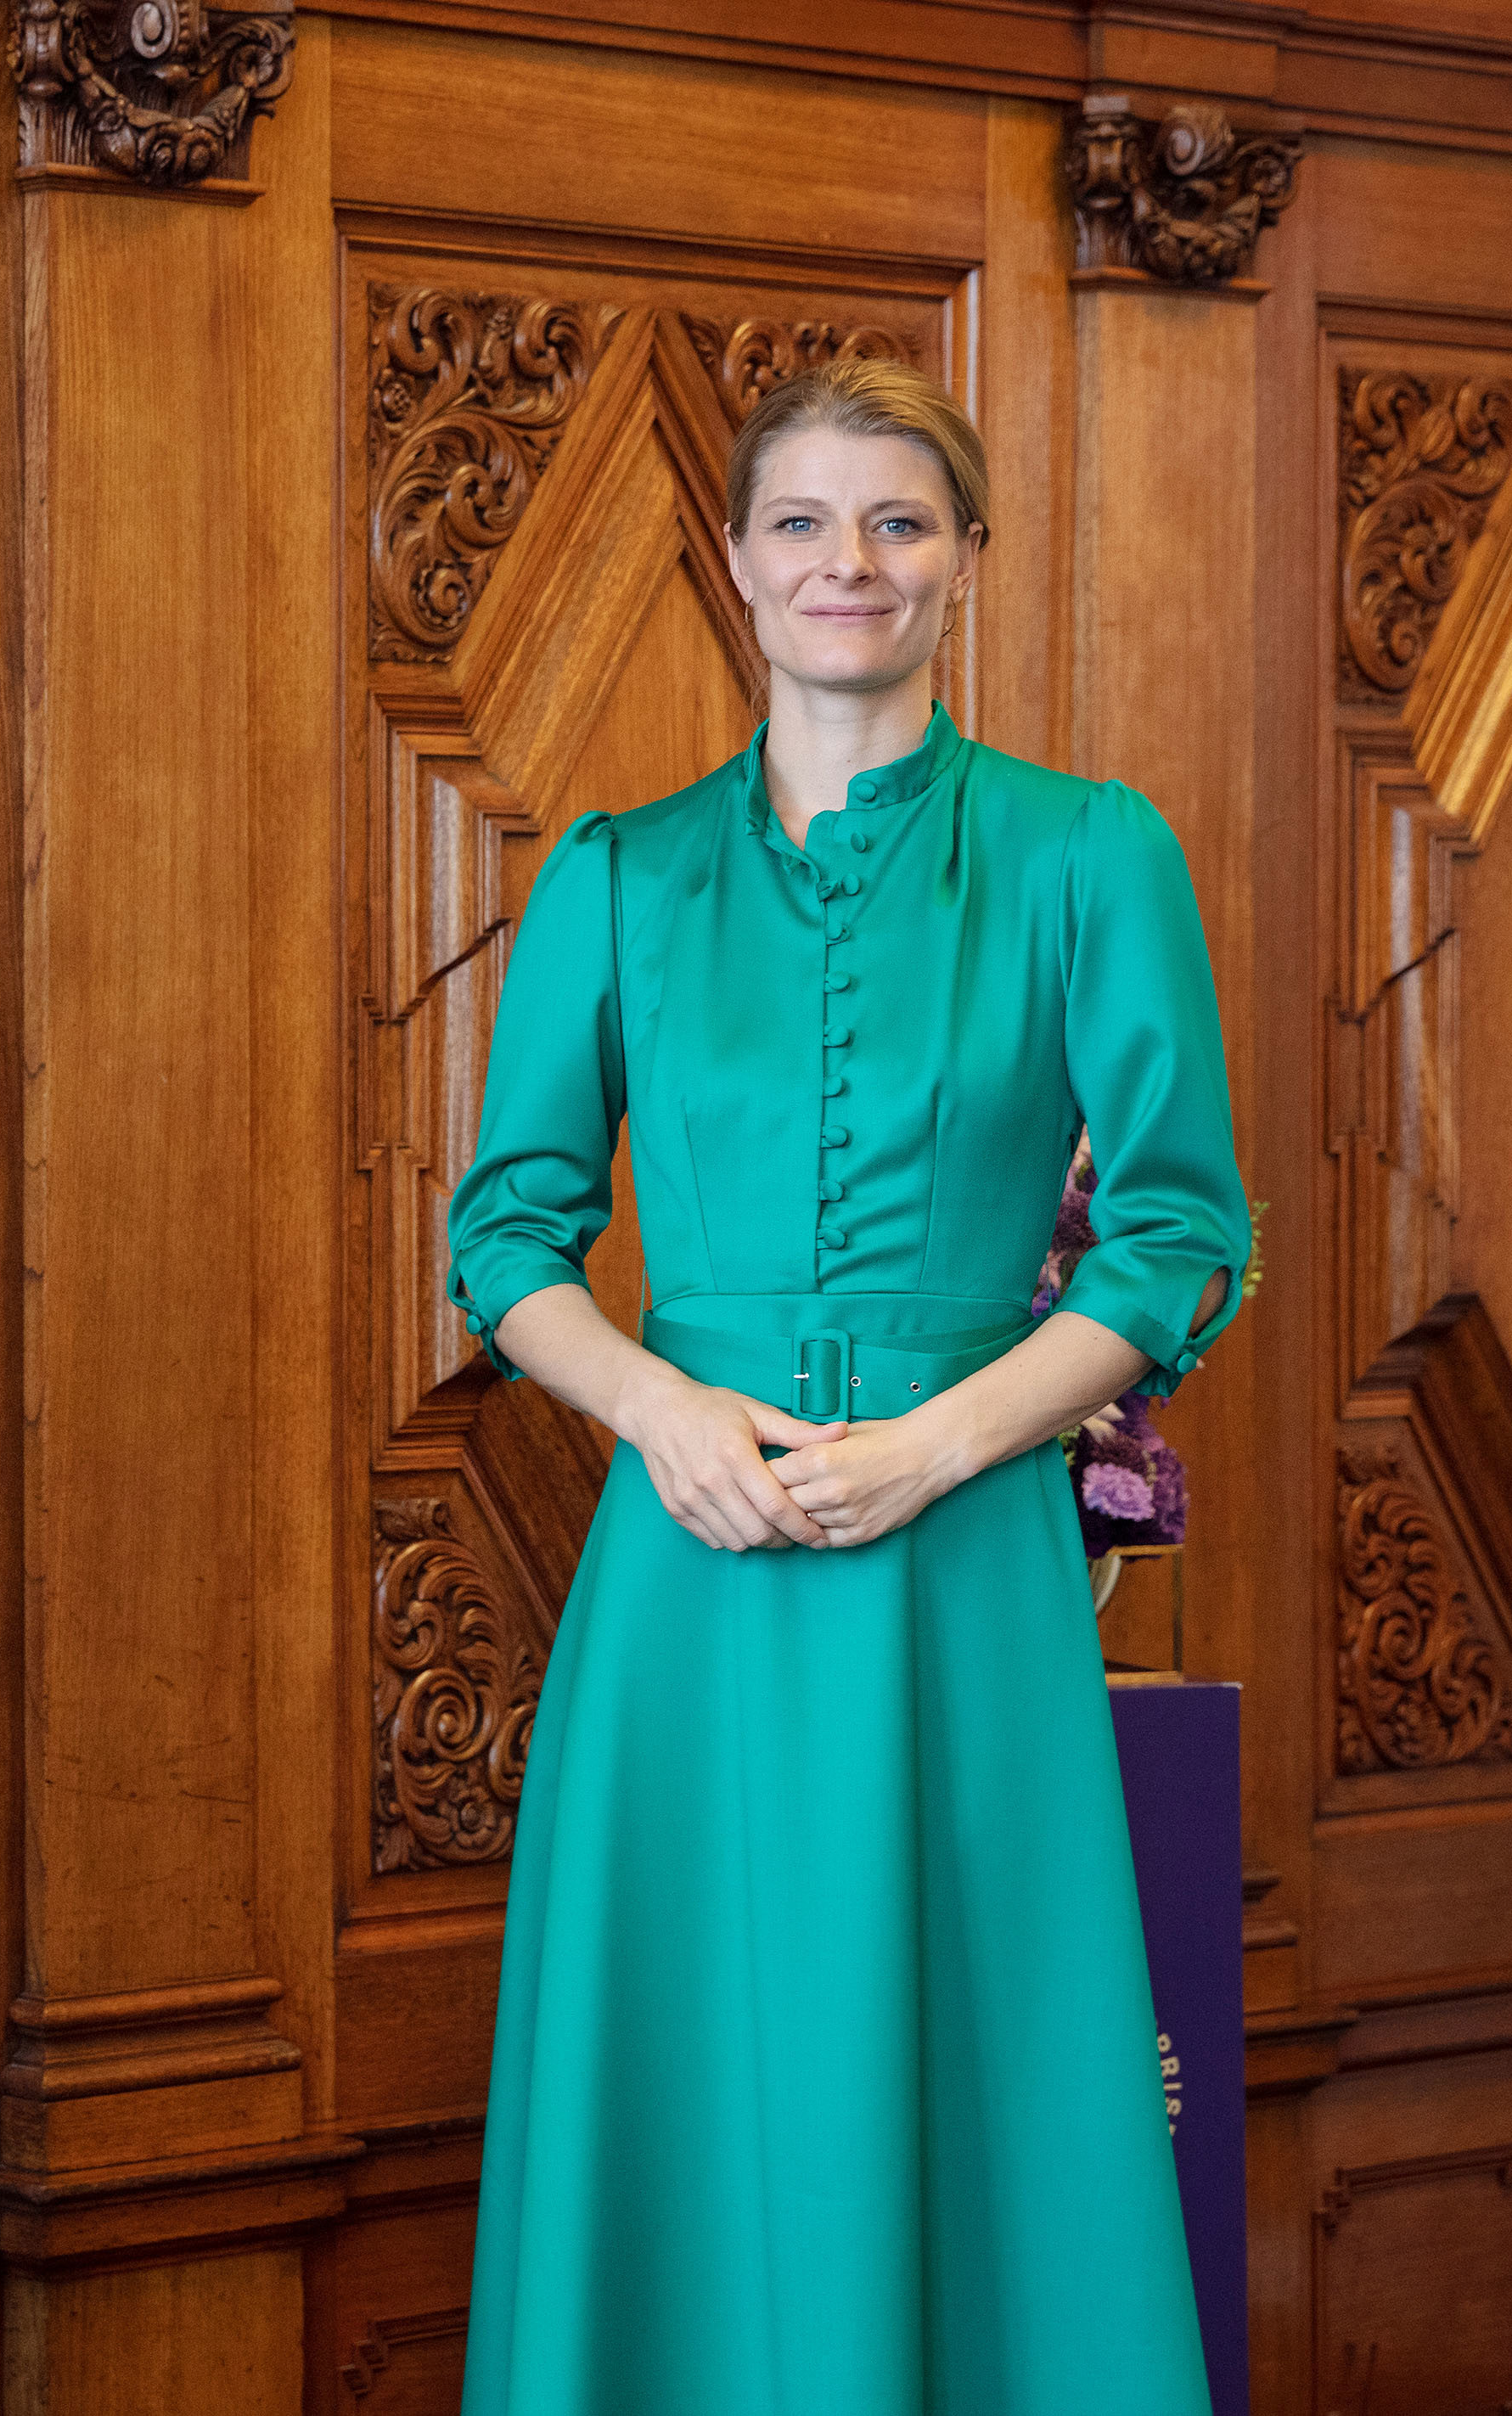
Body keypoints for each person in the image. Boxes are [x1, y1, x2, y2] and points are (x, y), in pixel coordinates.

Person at [443, 360, 1245, 2412]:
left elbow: (1178, 1239)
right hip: (686, 1569)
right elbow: (505, 1236)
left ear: (963, 558)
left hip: (964, 1567)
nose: (847, 562)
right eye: (800, 522)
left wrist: (943, 1446)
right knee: (693, 2070)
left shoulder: (1089, 853)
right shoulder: (615, 873)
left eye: (897, 521)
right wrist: (658, 1409)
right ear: (736, 562)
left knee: (984, 2063)